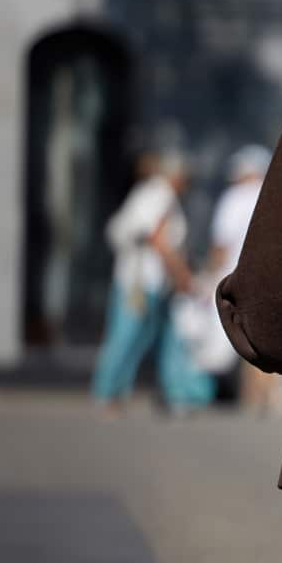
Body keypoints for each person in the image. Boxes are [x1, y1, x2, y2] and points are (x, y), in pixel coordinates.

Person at [91, 148, 214, 414]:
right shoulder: (160, 194)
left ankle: (117, 393)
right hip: (140, 281)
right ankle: (106, 391)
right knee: (126, 335)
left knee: (142, 336)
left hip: (150, 282)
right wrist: (182, 276)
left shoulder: (156, 194)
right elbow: (160, 241)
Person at [202, 144, 282, 411]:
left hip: (235, 277)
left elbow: (221, 244)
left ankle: (253, 398)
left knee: (243, 336)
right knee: (265, 336)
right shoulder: (276, 198)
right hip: (270, 276)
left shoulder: (234, 198)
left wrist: (208, 274)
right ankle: (267, 397)